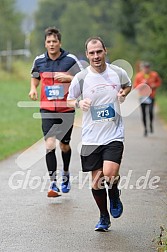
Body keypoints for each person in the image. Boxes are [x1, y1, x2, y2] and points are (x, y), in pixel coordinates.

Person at [67, 37, 131, 231]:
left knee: (110, 174)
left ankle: (114, 194)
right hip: (91, 137)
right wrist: (79, 103)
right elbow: (69, 100)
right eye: (92, 53)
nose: (96, 56)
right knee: (96, 182)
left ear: (105, 51)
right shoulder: (81, 77)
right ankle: (104, 216)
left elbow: (127, 84)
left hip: (113, 133)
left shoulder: (117, 72)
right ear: (87, 55)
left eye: (99, 52)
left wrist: (124, 93)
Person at [29, 27, 83, 197]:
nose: (52, 44)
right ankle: (53, 183)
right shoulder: (39, 60)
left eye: (55, 41)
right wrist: (33, 89)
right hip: (46, 109)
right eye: (49, 41)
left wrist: (69, 78)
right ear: (45, 44)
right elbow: (35, 76)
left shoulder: (70, 60)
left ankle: (65, 174)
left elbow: (84, 78)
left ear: (60, 43)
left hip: (66, 109)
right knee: (50, 144)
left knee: (64, 145)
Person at [133, 62, 161, 136]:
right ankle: (145, 129)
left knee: (151, 112)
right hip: (142, 97)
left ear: (149, 68)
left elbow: (159, 82)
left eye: (148, 67)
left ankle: (151, 124)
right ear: (143, 68)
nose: (146, 69)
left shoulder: (154, 74)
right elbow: (135, 86)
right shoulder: (139, 76)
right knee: (144, 113)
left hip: (151, 96)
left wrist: (154, 85)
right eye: (145, 67)